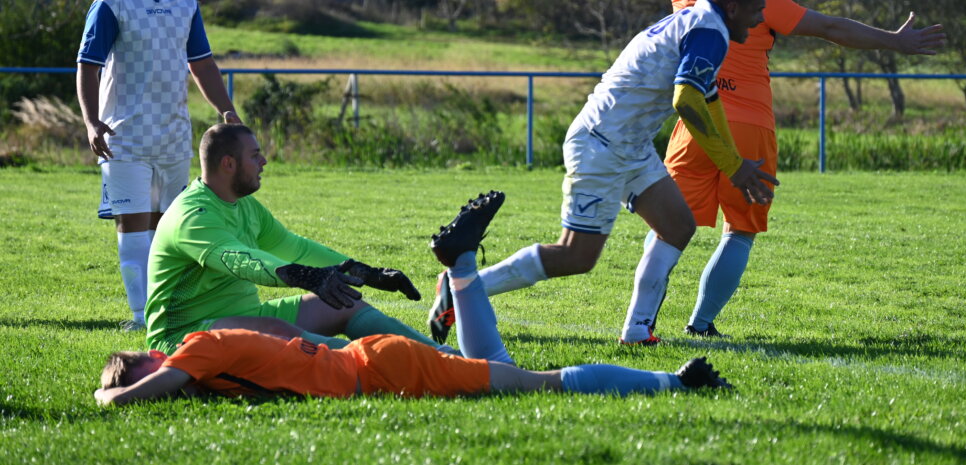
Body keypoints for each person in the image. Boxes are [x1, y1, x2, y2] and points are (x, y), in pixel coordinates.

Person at [652, 0, 947, 337]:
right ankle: (701, 325)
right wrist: (895, 40)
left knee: (669, 229)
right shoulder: (762, 2)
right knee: (741, 231)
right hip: (749, 128)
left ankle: (640, 322)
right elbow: (832, 28)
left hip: (696, 126)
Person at [95, 193, 731, 406]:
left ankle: (672, 385)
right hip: (376, 363)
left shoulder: (196, 353)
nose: (159, 367)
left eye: (148, 363)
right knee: (504, 369)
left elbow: (133, 394)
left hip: (381, 366)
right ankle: (461, 267)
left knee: (536, 383)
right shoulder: (215, 370)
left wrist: (110, 391)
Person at [429, 0, 779, 346]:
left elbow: (707, 99)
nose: (761, 19)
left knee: (678, 225)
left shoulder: (701, 20)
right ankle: (460, 286)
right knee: (576, 255)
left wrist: (736, 164)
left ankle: (637, 330)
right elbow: (687, 98)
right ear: (733, 6)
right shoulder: (711, 31)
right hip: (603, 144)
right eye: (757, 10)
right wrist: (733, 165)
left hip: (628, 145)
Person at [76, 0, 241, 331]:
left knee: (170, 230)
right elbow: (88, 66)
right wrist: (93, 123)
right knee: (134, 228)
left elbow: (201, 64)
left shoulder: (185, 2)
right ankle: (140, 317)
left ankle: (173, 312)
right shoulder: (111, 2)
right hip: (123, 137)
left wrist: (227, 111)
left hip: (172, 138)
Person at [144, 122, 435, 356]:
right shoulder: (192, 215)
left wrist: (364, 272)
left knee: (346, 304)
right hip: (179, 339)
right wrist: (303, 276)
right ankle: (402, 364)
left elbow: (294, 247)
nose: (264, 161)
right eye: (255, 155)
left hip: (243, 316)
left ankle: (447, 356)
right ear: (229, 164)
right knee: (276, 331)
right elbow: (239, 260)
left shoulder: (244, 204)